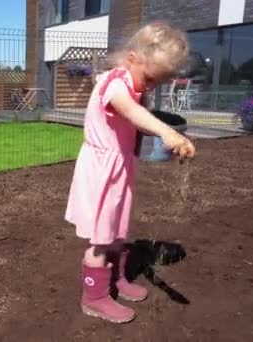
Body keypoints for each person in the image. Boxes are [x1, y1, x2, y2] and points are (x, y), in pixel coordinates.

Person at [65, 22, 196, 324]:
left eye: (157, 83)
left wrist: (164, 127)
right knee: (100, 240)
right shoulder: (114, 84)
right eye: (150, 78)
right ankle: (94, 297)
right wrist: (167, 133)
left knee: (116, 231)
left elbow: (138, 115)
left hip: (119, 167)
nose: (150, 87)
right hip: (100, 171)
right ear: (132, 59)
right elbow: (131, 112)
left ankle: (116, 280)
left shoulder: (134, 84)